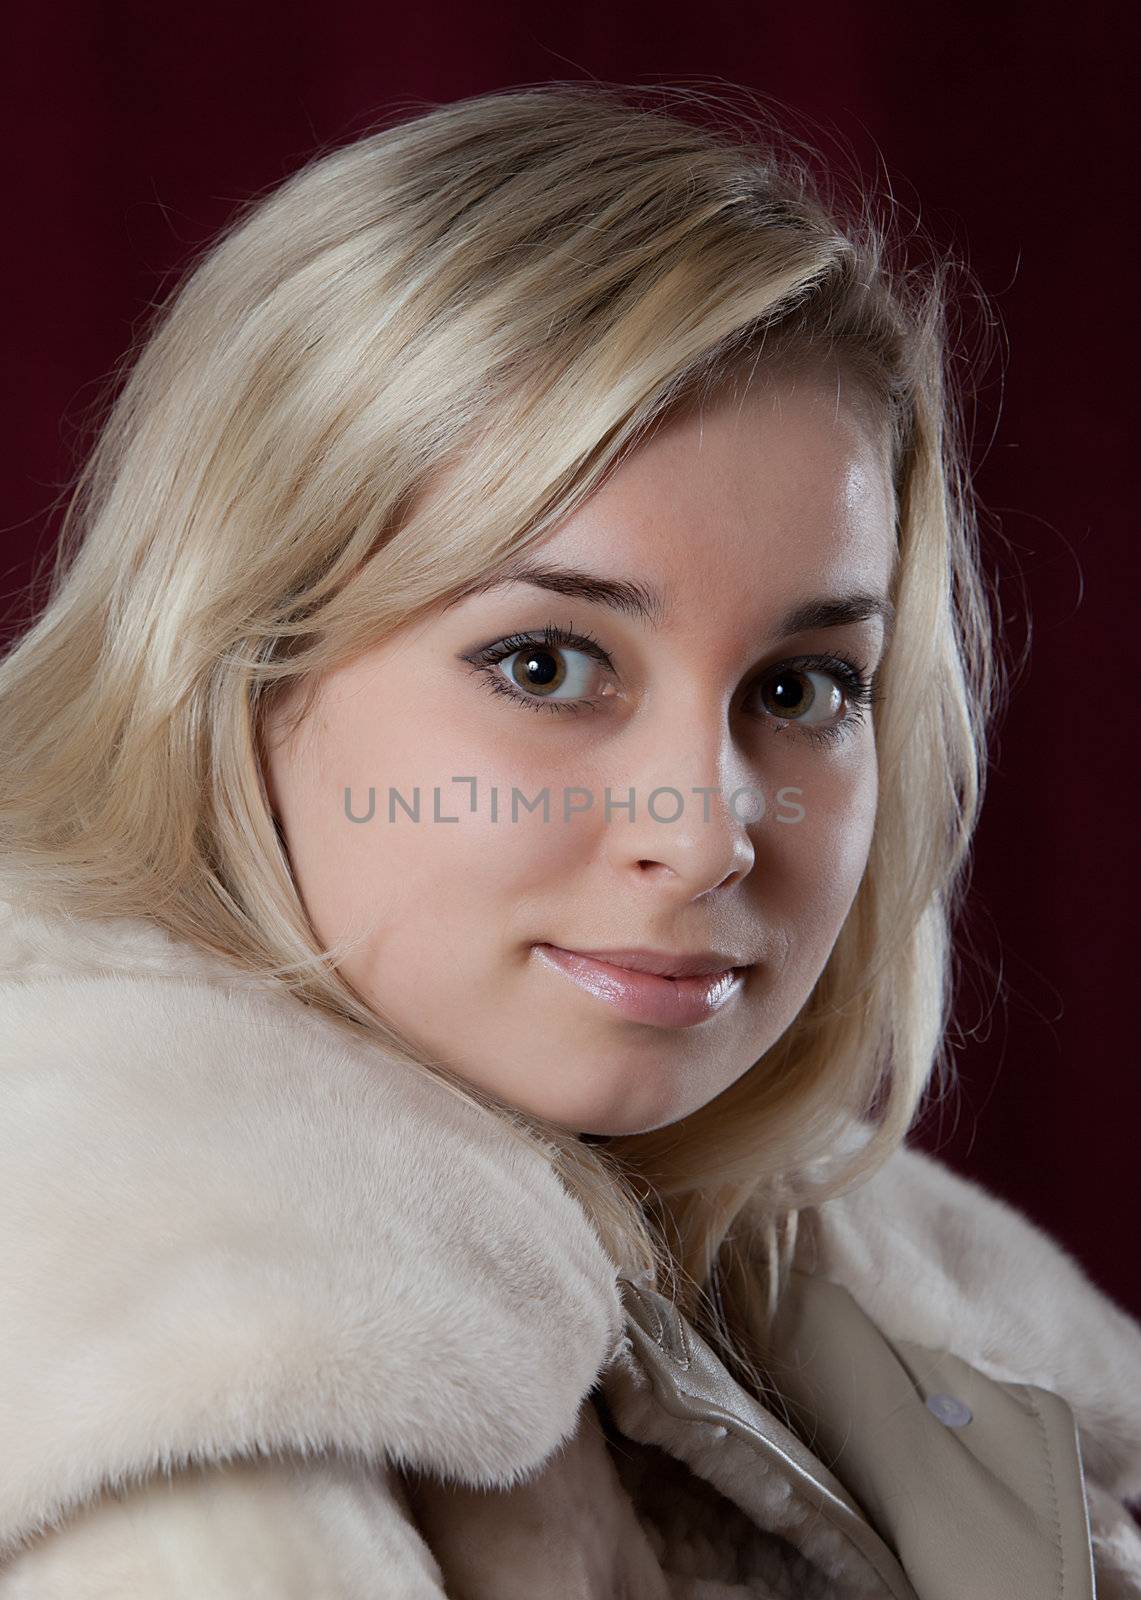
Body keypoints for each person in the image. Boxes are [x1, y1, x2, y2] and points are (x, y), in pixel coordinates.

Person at [0, 81, 1138, 1598]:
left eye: (801, 687)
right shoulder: (174, 1350)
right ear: (234, 669)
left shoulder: (894, 1292)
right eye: (545, 663)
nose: (708, 833)